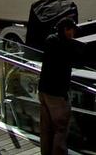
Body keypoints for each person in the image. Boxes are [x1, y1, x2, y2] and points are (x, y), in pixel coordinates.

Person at [38, 17, 78, 155]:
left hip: (43, 90)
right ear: (66, 30)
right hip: (57, 93)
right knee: (61, 128)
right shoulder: (67, 45)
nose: (74, 34)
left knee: (46, 128)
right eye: (72, 30)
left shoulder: (50, 40)